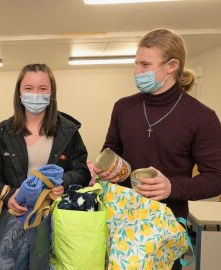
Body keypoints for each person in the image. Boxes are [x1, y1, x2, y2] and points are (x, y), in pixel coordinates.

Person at [93, 28, 221, 270]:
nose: (136, 72)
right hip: (121, 219)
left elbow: (216, 177)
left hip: (167, 223)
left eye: (144, 65)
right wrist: (104, 169)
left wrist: (173, 186)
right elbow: (110, 151)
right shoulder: (123, 108)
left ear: (171, 66)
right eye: (136, 64)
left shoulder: (202, 117)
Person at [0, 63, 91, 216]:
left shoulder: (68, 131)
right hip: (15, 215)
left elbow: (82, 171)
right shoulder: (2, 133)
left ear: (51, 93)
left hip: (57, 214)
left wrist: (63, 183)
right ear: (19, 92)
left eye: (43, 88)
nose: (36, 94)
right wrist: (7, 195)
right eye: (28, 88)